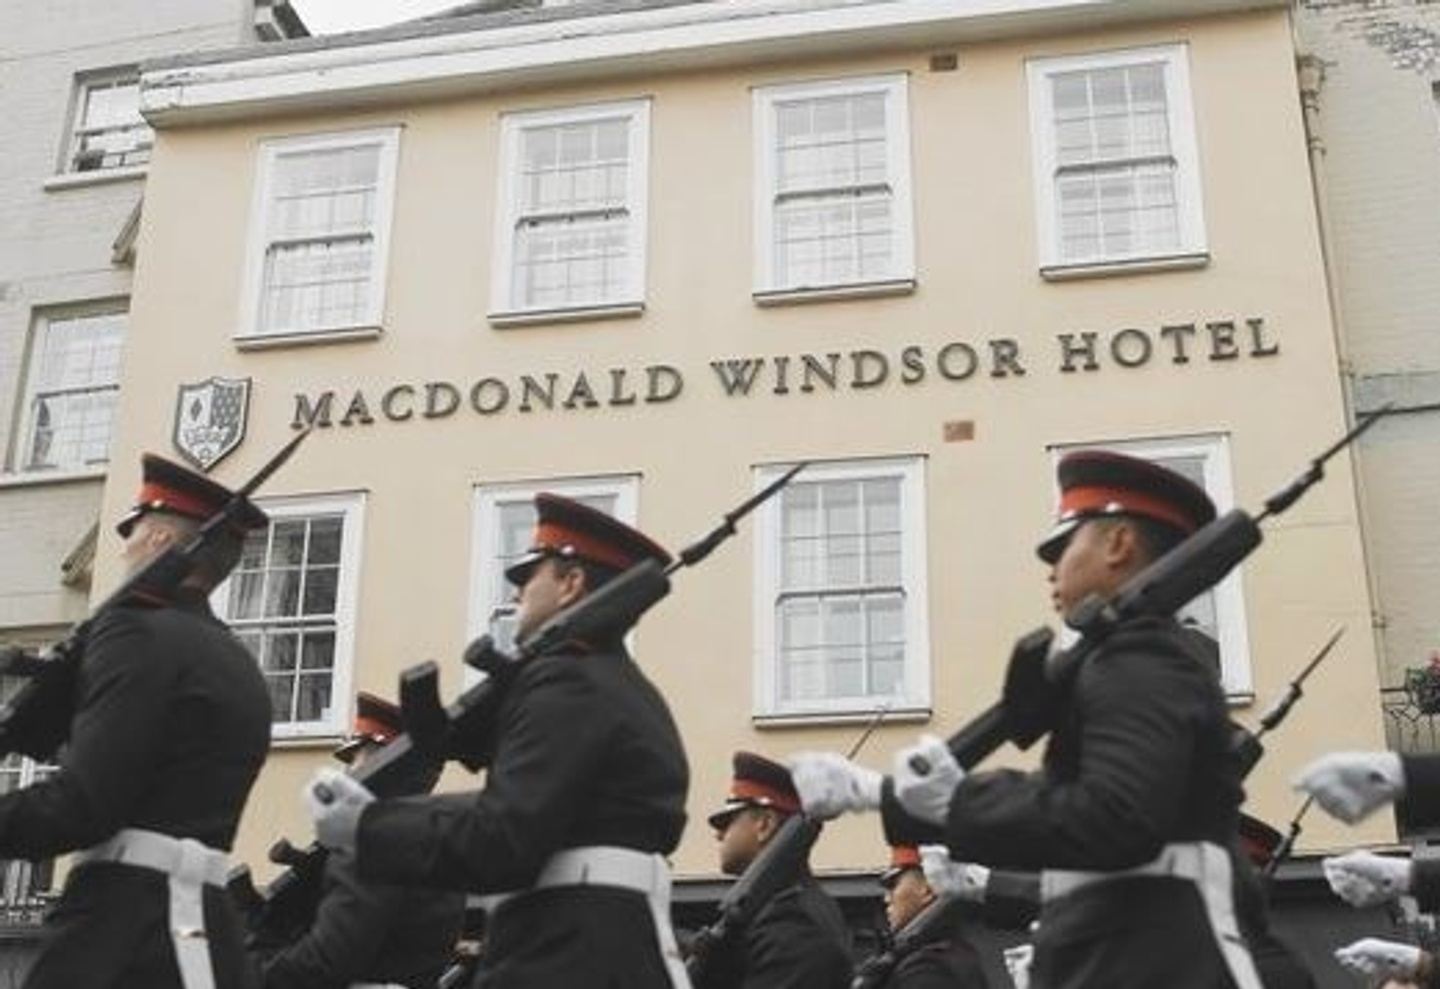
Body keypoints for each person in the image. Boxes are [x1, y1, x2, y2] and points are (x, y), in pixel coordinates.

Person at [790, 450, 1262, 989]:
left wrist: (952, 801)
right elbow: (1083, 815)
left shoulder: (1139, 659)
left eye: (1064, 547)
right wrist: (888, 794)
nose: (1051, 569)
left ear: (1118, 543)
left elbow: (1114, 816)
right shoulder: (1131, 658)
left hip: (1152, 959)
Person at [304, 493, 691, 988]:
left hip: (566, 955)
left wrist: (369, 825)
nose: (516, 593)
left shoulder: (567, 681)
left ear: (571, 584)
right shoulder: (627, 691)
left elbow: (503, 833)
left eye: (529, 576)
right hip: (606, 944)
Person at [6, 454, 274, 989]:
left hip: (118, 935)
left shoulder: (132, 631)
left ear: (158, 540)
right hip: (205, 933)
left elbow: (84, 802)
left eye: (131, 531)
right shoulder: (237, 663)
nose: (124, 546)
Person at [254, 692, 465, 989]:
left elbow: (327, 961)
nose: (348, 773)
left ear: (386, 768)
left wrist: (254, 969)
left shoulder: (373, 844)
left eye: (357, 759)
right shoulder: (427, 840)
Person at [692, 751, 851, 989]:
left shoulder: (794, 923)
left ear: (764, 825)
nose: (719, 835)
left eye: (727, 822)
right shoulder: (769, 911)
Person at [851, 843, 989, 989]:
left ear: (928, 889)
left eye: (893, 885)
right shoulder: (932, 956)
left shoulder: (931, 969)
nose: (886, 899)